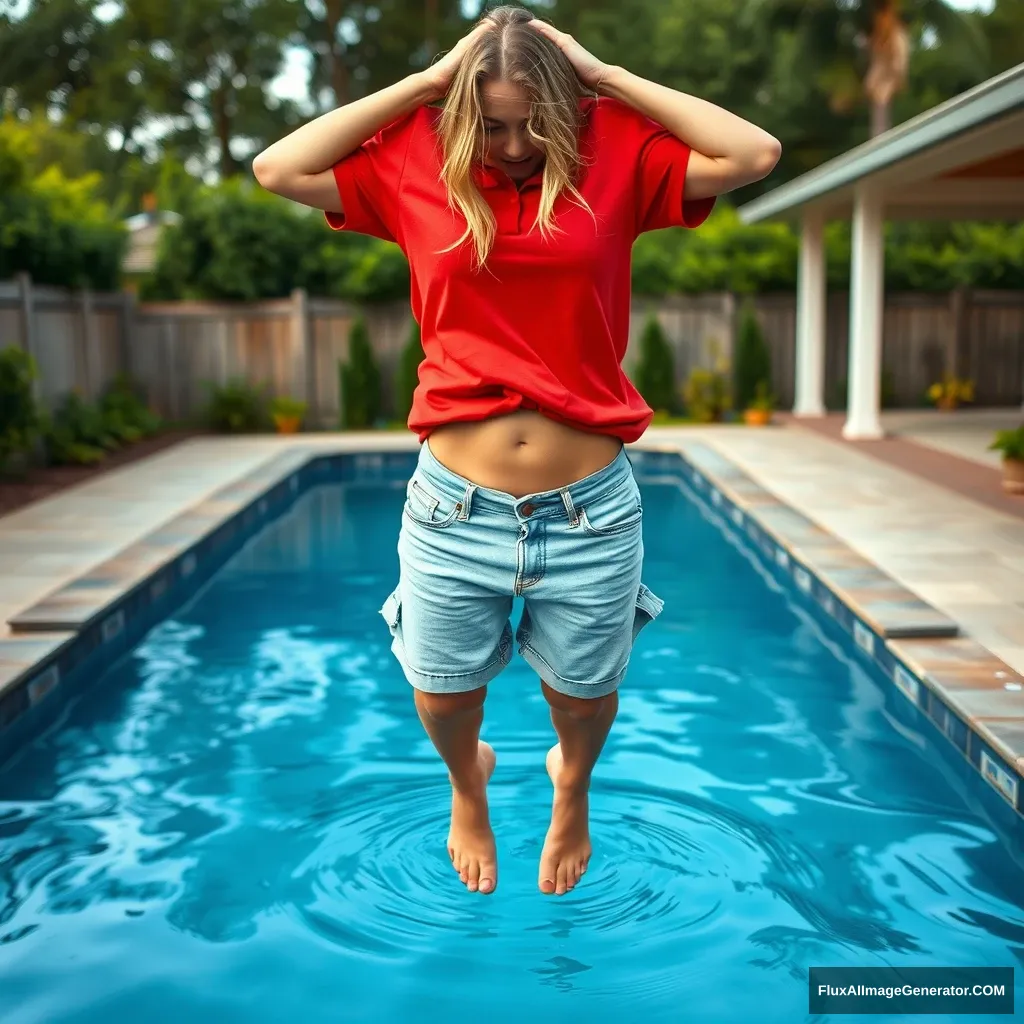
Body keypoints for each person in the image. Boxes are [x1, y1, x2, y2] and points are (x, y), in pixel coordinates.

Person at [253, 5, 780, 898]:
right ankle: (471, 787)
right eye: (491, 124)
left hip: (590, 506)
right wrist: (427, 82)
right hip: (454, 503)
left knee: (582, 698)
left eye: (535, 123)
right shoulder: (417, 163)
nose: (510, 145)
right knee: (441, 694)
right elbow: (278, 167)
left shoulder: (615, 159)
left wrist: (601, 74)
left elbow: (753, 154)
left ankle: (570, 788)